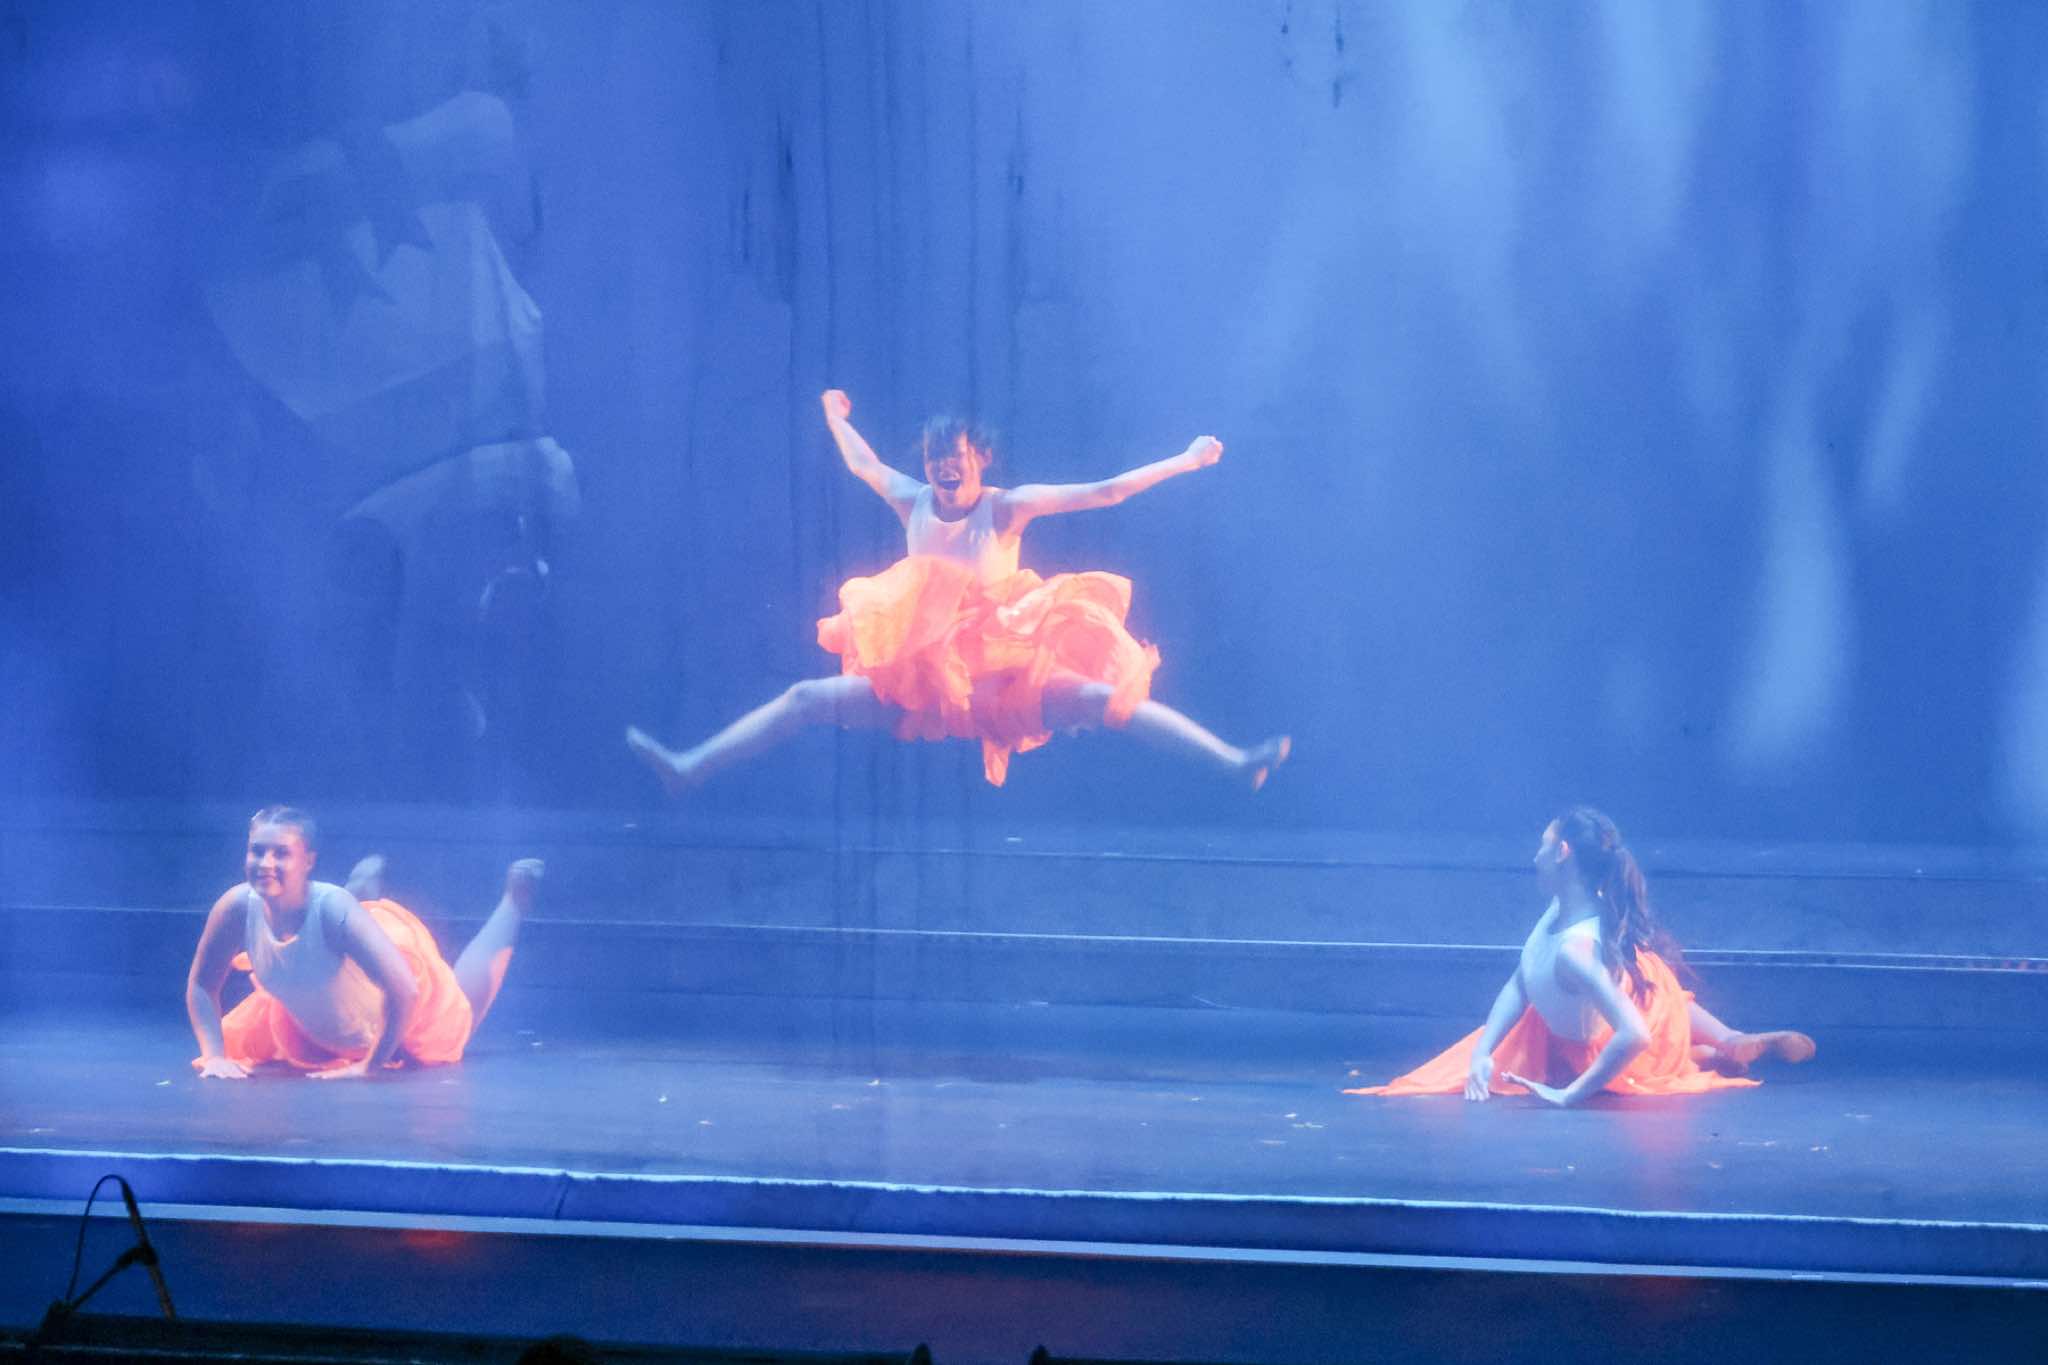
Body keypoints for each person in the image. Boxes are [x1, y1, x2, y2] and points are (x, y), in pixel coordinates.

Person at [627, 389, 1291, 788]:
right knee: (804, 699)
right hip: (924, 682)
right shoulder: (912, 499)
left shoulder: (1006, 508)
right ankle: (689, 768)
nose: (944, 467)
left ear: (981, 460)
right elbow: (861, 462)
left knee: (1101, 698)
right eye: (934, 458)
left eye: (957, 457)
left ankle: (1234, 761)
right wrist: (832, 415)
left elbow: (1105, 491)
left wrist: (1186, 459)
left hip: (1003, 678)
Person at [1348, 806, 1814, 1104]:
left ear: (1562, 852)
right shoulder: (1567, 907)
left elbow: (1634, 1034)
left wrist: (1568, 1096)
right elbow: (1522, 981)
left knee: (1657, 1031)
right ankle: (1725, 1043)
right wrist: (1483, 1052)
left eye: (1543, 845)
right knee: (1651, 988)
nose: (1535, 856)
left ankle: (1722, 1046)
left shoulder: (1576, 952)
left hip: (1621, 1032)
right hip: (1609, 1006)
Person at [185, 806, 540, 1078]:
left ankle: (513, 902)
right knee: (332, 934)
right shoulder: (235, 907)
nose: (265, 863)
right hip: (314, 1020)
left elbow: (405, 992)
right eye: (257, 851)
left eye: (281, 853)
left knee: (461, 1012)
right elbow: (202, 984)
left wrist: (371, 1065)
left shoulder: (330, 909)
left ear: (308, 861)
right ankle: (361, 898)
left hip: (396, 1019)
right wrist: (214, 1057)